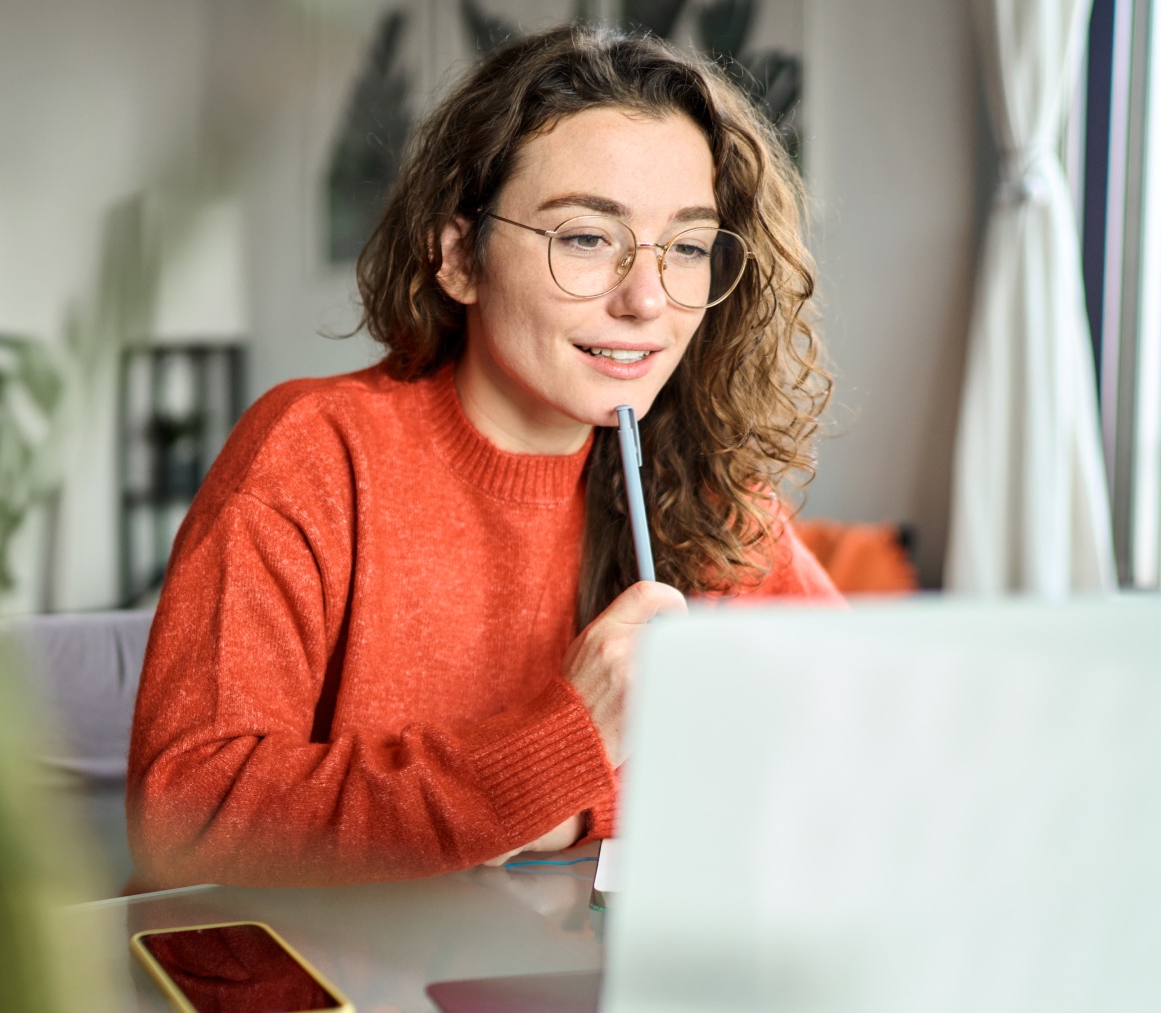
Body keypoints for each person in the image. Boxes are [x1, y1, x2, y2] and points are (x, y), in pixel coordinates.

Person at [126, 23, 840, 889]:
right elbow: (188, 820)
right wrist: (561, 749)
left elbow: (857, 744)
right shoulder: (314, 454)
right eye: (585, 237)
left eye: (686, 247)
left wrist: (574, 805)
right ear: (459, 255)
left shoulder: (707, 488)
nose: (647, 298)